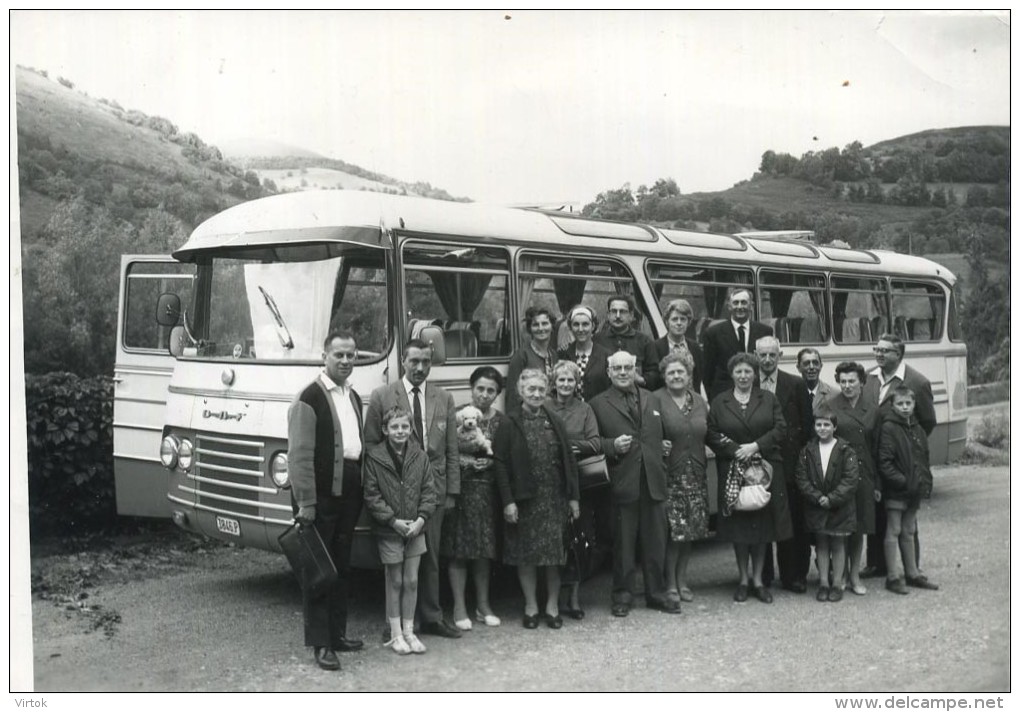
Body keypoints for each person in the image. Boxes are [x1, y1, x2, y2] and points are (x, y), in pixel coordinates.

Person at [364, 339, 461, 639]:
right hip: (395, 492)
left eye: (426, 362)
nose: (420, 368)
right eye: (414, 361)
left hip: (433, 491)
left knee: (429, 556)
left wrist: (452, 492)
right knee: (394, 562)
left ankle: (431, 617)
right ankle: (395, 623)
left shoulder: (443, 398)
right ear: (402, 362)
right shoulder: (382, 396)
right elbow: (371, 446)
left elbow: (451, 448)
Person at [287, 331, 366, 671]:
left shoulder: (353, 396)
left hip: (348, 491)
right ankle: (321, 645)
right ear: (325, 356)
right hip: (319, 497)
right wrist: (306, 503)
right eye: (339, 355)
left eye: (351, 355)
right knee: (320, 571)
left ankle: (337, 635)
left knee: (341, 567)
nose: (346, 361)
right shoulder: (309, 397)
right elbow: (299, 456)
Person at [589, 350, 678, 617]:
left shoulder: (652, 397)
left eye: (628, 367)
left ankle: (656, 593)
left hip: (653, 479)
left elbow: (656, 432)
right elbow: (593, 441)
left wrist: (661, 446)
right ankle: (623, 595)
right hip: (622, 480)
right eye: (618, 369)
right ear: (609, 372)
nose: (624, 372)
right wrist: (612, 446)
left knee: (656, 541)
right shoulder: (597, 403)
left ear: (635, 368)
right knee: (624, 544)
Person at [492, 369, 580, 629]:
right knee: (527, 556)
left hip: (554, 499)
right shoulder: (509, 422)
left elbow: (569, 461)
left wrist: (573, 499)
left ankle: (552, 607)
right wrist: (508, 502)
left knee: (554, 557)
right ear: (520, 391)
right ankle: (531, 605)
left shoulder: (554, 419)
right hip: (525, 501)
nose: (536, 394)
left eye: (541, 389)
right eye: (531, 389)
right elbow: (499, 464)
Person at [707, 352, 792, 604]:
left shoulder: (768, 398)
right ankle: (743, 579)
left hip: (764, 470)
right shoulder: (720, 401)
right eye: (738, 372)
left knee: (762, 526)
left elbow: (780, 428)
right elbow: (711, 432)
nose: (743, 376)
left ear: (755, 374)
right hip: (733, 471)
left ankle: (758, 580)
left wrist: (755, 446)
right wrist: (736, 450)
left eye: (748, 372)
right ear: (732, 374)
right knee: (740, 528)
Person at [861, 334, 936, 579]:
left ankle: (911, 567)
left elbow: (926, 422)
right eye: (877, 349)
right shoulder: (870, 378)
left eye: (885, 350)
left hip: (901, 461)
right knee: (877, 511)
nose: (879, 354)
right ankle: (877, 564)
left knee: (904, 519)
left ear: (899, 354)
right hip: (875, 456)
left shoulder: (917, 382)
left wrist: (904, 447)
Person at [363, 407, 436, 654]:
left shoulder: (420, 456)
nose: (400, 431)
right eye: (394, 427)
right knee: (394, 580)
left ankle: (409, 632)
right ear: (385, 430)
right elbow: (372, 496)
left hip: (415, 529)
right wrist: (393, 521)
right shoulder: (374, 457)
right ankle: (395, 635)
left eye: (405, 426)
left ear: (411, 429)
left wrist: (420, 521)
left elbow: (428, 492)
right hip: (389, 529)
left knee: (412, 580)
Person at [441, 367, 506, 631]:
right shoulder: (457, 417)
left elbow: (504, 456)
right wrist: (466, 464)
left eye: (491, 390)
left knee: (483, 551)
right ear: (471, 389)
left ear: (497, 394)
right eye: (480, 388)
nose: (484, 394)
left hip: (488, 493)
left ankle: (483, 605)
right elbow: (445, 451)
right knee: (459, 549)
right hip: (461, 489)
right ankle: (458, 606)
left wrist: (489, 464)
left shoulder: (502, 422)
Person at [754, 336, 813, 593]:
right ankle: (763, 575)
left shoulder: (795, 384)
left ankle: (794, 575)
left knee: (791, 519)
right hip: (757, 461)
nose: (767, 359)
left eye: (772, 355)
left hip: (788, 462)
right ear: (755, 356)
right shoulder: (747, 382)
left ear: (780, 355)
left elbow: (808, 425)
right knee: (761, 517)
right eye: (762, 355)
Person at [546, 359, 602, 619]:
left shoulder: (585, 409)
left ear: (577, 383)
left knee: (579, 540)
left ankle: (575, 599)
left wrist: (567, 446)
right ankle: (553, 600)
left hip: (579, 481)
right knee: (554, 542)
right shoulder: (544, 407)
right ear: (553, 383)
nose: (565, 384)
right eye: (561, 380)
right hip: (549, 482)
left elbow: (595, 442)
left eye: (570, 380)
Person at [653, 351, 710, 604]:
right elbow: (646, 434)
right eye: (671, 372)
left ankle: (683, 579)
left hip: (696, 474)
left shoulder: (699, 401)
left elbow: (708, 432)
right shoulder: (655, 400)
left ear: (689, 376)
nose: (676, 376)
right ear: (664, 376)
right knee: (673, 533)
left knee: (690, 533)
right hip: (670, 475)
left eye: (681, 372)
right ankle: (670, 583)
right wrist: (658, 443)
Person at [877, 386, 939, 595]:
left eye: (908, 404)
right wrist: (903, 482)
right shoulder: (889, 427)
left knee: (909, 530)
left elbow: (924, 458)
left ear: (914, 405)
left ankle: (912, 573)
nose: (904, 407)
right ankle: (893, 576)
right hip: (898, 489)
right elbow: (885, 462)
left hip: (914, 489)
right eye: (900, 404)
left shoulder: (917, 428)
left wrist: (924, 482)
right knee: (893, 530)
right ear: (892, 405)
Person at [794, 405, 859, 603]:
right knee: (821, 544)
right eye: (819, 425)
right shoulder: (807, 451)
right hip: (816, 506)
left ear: (834, 427)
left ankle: (837, 583)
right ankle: (823, 582)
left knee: (838, 543)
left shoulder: (845, 450)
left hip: (840, 506)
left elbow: (850, 479)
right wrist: (817, 497)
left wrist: (832, 498)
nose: (822, 428)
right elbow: (801, 477)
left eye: (827, 425)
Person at [827, 361, 880, 595]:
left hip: (864, 474)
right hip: (840, 475)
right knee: (841, 528)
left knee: (859, 527)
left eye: (852, 381)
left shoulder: (872, 408)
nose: (847, 385)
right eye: (843, 381)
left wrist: (877, 482)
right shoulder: (830, 406)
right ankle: (839, 576)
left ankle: (855, 576)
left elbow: (877, 447)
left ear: (862, 382)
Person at [701, 288, 773, 401]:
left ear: (752, 305)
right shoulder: (713, 333)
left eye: (744, 302)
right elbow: (707, 373)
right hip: (724, 397)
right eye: (735, 303)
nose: (740, 307)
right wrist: (713, 400)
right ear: (729, 306)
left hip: (756, 395)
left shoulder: (765, 331)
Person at [593, 295, 658, 389]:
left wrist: (641, 379)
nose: (618, 316)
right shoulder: (597, 340)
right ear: (608, 315)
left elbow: (655, 372)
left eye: (622, 312)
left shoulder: (644, 341)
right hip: (604, 397)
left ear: (631, 315)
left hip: (636, 397)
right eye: (614, 311)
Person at [506, 306, 558, 412]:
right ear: (530, 329)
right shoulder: (521, 356)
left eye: (545, 323)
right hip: (528, 414)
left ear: (552, 326)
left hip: (551, 414)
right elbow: (513, 394)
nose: (540, 328)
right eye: (535, 324)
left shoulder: (553, 355)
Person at [557, 305, 612, 401]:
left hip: (598, 412)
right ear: (570, 327)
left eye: (585, 324)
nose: (580, 329)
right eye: (576, 324)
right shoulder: (563, 354)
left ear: (593, 326)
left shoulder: (607, 356)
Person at [652, 298, 704, 396]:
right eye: (675, 319)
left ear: (688, 322)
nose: (679, 323)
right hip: (666, 401)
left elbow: (699, 378)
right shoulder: (656, 347)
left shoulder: (695, 347)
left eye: (683, 319)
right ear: (667, 322)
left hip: (692, 400)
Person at [796, 347, 836, 412]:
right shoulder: (792, 394)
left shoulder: (834, 394)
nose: (811, 367)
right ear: (798, 368)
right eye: (806, 363)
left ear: (821, 366)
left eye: (815, 363)